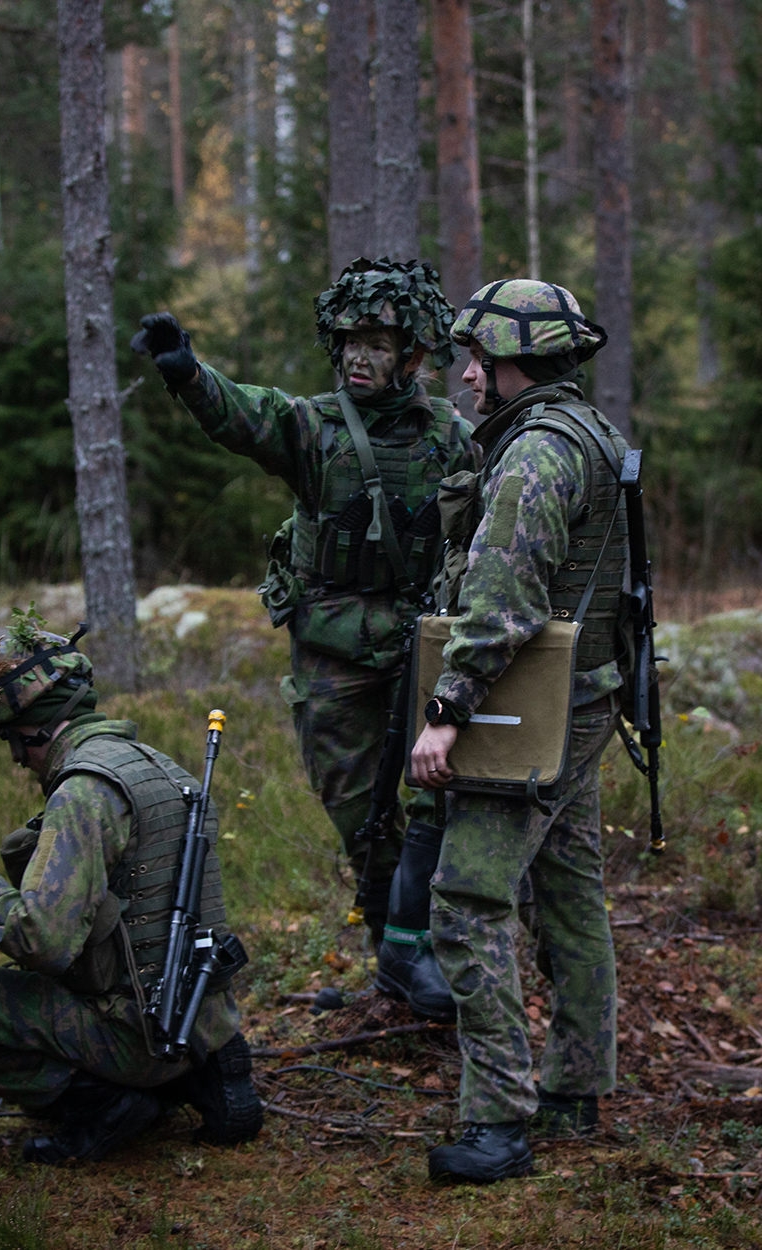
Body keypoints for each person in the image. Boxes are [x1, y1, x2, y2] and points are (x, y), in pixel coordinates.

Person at [134, 260, 475, 995]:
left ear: (412, 352)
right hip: (335, 653)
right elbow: (244, 414)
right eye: (350, 340)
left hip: (419, 646)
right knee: (358, 811)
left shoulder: (449, 435)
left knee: (434, 802)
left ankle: (424, 954)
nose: (359, 355)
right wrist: (189, 373)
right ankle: (394, 950)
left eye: (378, 343)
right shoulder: (313, 429)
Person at [403, 280, 626, 1183]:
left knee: (465, 902)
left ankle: (499, 1119)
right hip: (586, 698)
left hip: (528, 710)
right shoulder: (593, 435)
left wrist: (447, 709)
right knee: (570, 891)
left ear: (517, 365)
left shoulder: (535, 455)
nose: (465, 377)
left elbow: (502, 605)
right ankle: (576, 1087)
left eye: (479, 362)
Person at [0, 610, 263, 1164]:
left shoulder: (84, 793)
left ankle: (101, 1103)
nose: (17, 760)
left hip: (137, 1033)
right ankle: (203, 1074)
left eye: (15, 742)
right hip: (199, 1019)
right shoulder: (161, 769)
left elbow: (41, 941)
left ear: (42, 730)